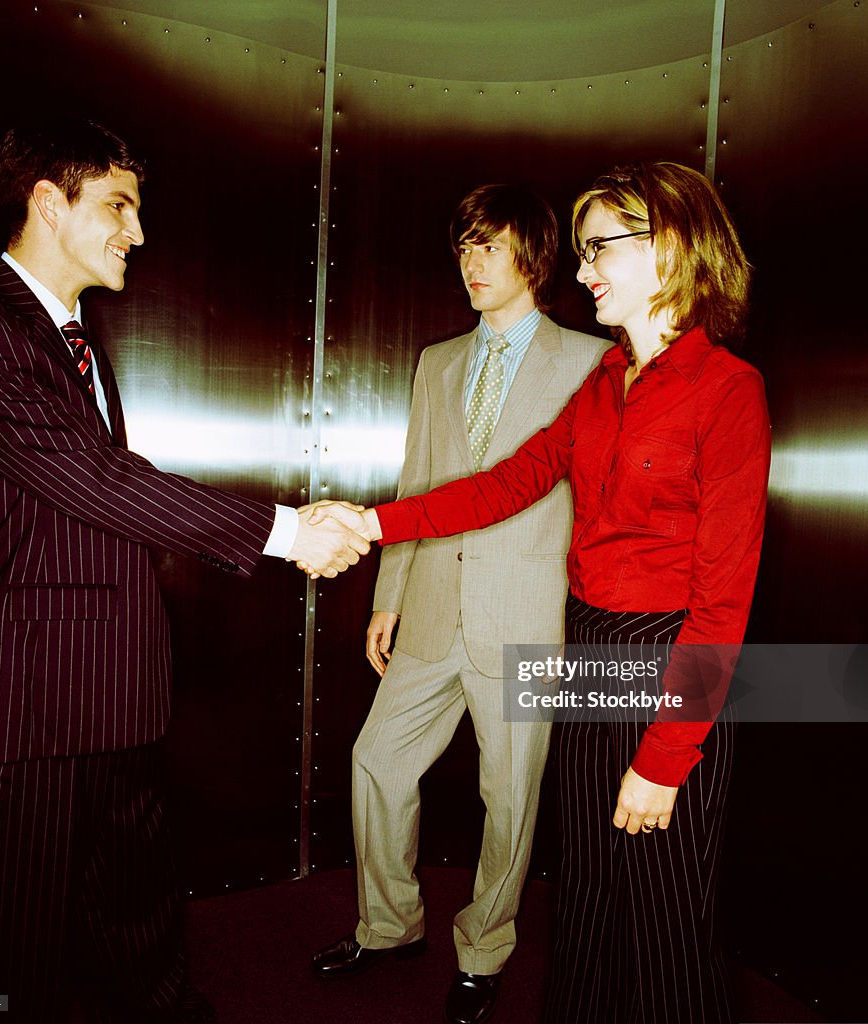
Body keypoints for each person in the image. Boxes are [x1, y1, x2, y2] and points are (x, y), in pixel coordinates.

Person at [308, 161, 771, 1024]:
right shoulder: (605, 384)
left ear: (669, 248)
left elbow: (722, 604)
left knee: (664, 908)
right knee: (589, 895)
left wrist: (666, 760)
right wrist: (369, 525)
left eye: (600, 249)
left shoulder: (726, 389)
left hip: (667, 658)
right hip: (591, 643)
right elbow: (500, 485)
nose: (583, 269)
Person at [0, 117, 367, 1024]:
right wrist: (286, 532)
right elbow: (95, 480)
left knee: (136, 922)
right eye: (119, 206)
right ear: (49, 202)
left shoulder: (76, 337)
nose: (138, 231)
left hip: (115, 690)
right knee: (1, 956)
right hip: (23, 706)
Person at [311, 184, 608, 1024]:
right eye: (465, 247)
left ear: (535, 258)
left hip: (528, 616)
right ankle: (389, 923)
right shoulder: (436, 362)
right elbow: (419, 485)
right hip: (434, 606)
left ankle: (484, 947)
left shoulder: (591, 361)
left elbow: (593, 500)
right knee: (377, 761)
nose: (472, 263)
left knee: (509, 794)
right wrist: (388, 595)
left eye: (491, 246)